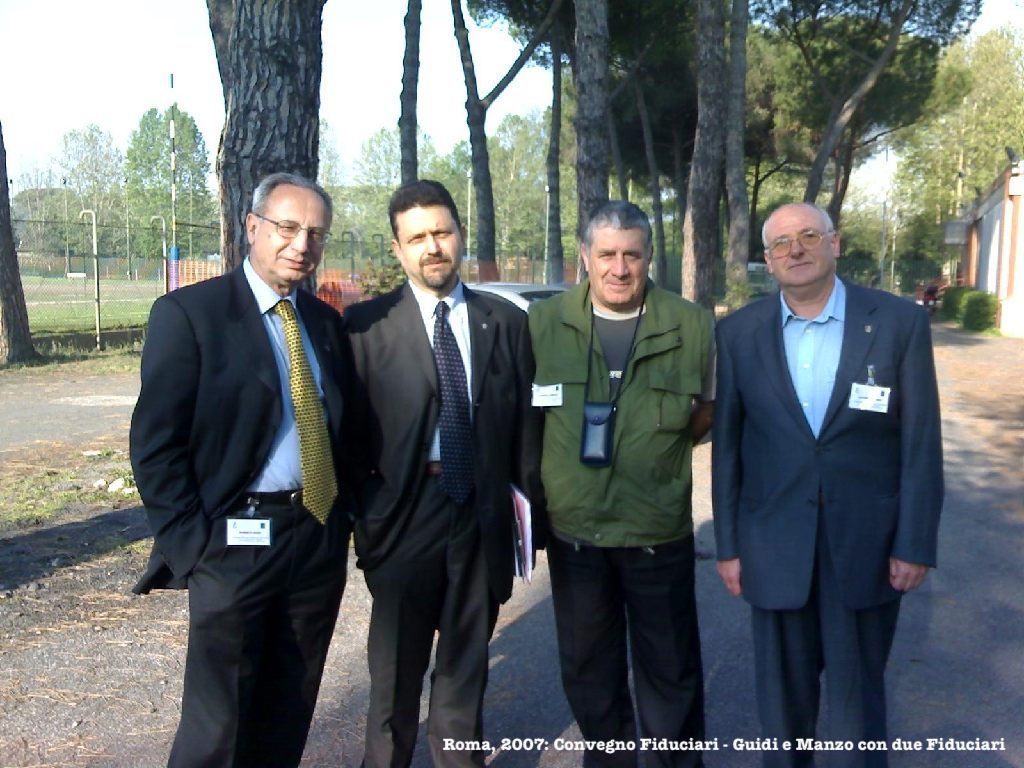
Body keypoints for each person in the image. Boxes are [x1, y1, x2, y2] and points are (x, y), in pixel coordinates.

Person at [130, 172, 356, 768]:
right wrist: (193, 546)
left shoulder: (324, 324)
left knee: (288, 710)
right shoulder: (190, 314)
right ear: (251, 227)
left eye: (315, 233)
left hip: (314, 538)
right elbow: (155, 445)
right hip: (232, 542)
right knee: (217, 728)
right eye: (287, 227)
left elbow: (345, 430)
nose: (301, 244)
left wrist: (341, 525)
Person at [712, 202, 943, 768]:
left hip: (866, 546)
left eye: (809, 236)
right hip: (773, 545)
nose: (795, 249)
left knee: (855, 711)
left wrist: (914, 543)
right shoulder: (738, 333)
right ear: (767, 259)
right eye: (781, 243)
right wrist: (729, 547)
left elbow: (920, 443)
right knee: (782, 711)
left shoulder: (898, 322)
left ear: (835, 244)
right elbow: (728, 449)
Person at [343, 179, 544, 768]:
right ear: (397, 249)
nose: (432, 247)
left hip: (479, 518)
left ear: (460, 234)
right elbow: (345, 437)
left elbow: (525, 429)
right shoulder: (364, 327)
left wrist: (527, 522)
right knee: (393, 685)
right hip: (403, 520)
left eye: (441, 232)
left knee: (463, 679)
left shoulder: (505, 322)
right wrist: (369, 523)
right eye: (417, 238)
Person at [528, 200, 714, 768]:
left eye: (632, 255)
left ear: (649, 257)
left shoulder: (691, 324)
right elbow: (525, 420)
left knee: (670, 670)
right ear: (585, 256)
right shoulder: (542, 323)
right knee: (589, 671)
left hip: (657, 531)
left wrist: (655, 453)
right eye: (606, 254)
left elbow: (705, 412)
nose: (619, 268)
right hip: (576, 535)